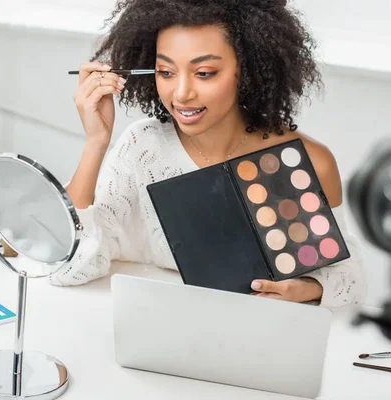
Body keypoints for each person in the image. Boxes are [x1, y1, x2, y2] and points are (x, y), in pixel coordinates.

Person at [49, 0, 365, 308]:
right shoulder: (141, 147)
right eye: (166, 71)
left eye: (204, 72)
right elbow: (65, 265)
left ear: (249, 70)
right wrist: (96, 141)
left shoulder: (307, 162)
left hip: (261, 336)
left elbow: (349, 279)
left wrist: (307, 288)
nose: (182, 93)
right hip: (160, 321)